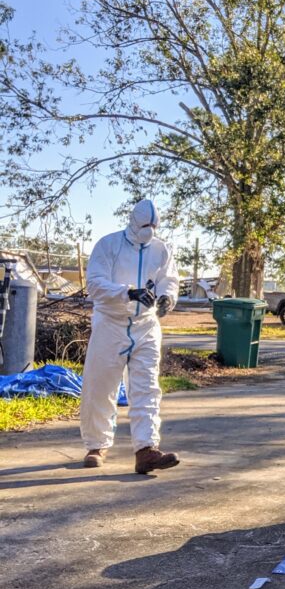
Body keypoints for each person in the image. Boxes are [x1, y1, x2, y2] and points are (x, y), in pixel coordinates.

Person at [80, 199, 181, 475]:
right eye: (144, 225)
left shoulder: (162, 250)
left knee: (146, 387)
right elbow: (95, 284)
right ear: (132, 222)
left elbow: (169, 279)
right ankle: (96, 445)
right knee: (101, 385)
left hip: (146, 325)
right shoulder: (108, 245)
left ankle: (146, 450)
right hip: (110, 323)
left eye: (153, 225)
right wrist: (128, 292)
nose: (149, 229)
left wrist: (167, 299)